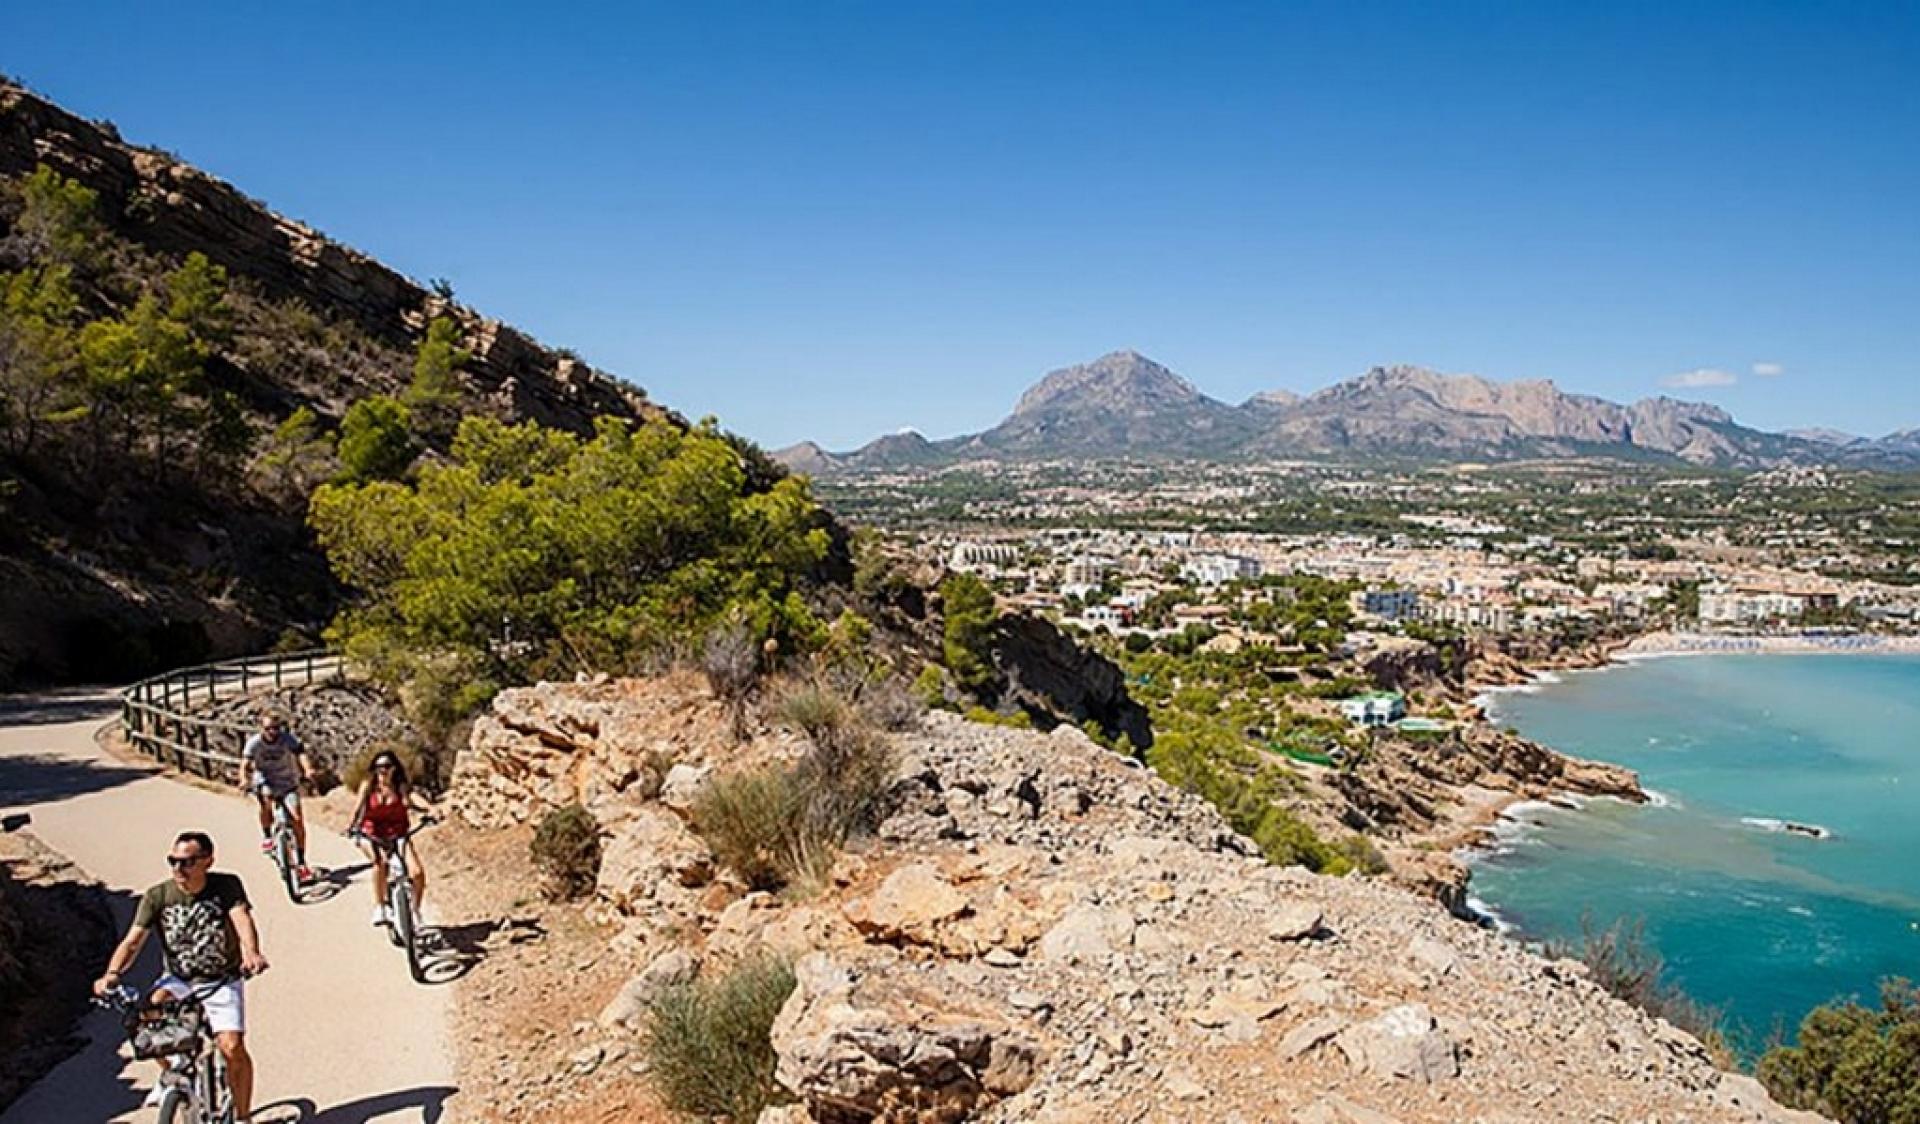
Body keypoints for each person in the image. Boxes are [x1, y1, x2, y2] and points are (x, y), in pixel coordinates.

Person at [94, 831, 269, 1123]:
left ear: (207, 861)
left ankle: (243, 1115)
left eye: (187, 862)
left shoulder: (226, 885)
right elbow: (132, 941)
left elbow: (241, 918)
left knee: (232, 1047)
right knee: (143, 1018)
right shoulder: (158, 895)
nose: (178, 868)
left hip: (221, 979)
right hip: (178, 979)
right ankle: (170, 1070)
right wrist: (111, 974)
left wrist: (252, 952)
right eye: (173, 861)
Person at [346, 749, 428, 927]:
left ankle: (414, 910)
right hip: (372, 834)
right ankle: (380, 906)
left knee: (417, 873)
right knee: (379, 862)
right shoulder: (368, 786)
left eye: (387, 766)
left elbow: (413, 799)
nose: (383, 770)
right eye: (379, 767)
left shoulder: (400, 786)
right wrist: (352, 826)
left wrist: (431, 809)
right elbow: (358, 808)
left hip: (398, 834)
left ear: (394, 768)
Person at [239, 713, 316, 883]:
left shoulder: (287, 739)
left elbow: (300, 753)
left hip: (287, 782)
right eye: (268, 729)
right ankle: (267, 836)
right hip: (265, 780)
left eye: (275, 728)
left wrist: (308, 769)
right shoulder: (254, 743)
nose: (272, 732)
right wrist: (244, 779)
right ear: (262, 729)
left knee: (297, 819)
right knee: (265, 802)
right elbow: (245, 764)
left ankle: (302, 863)